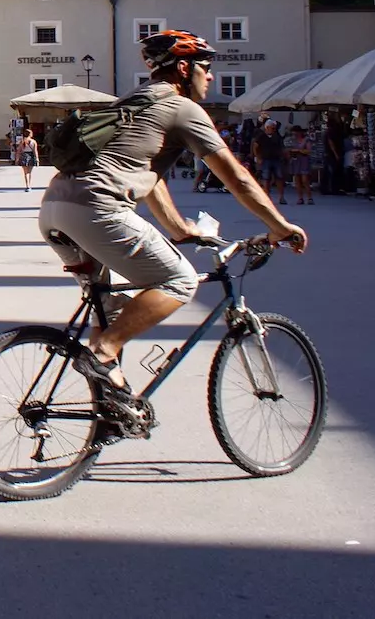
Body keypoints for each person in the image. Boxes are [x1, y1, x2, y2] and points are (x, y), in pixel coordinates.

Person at [39, 30, 307, 397]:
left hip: (55, 208)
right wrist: (279, 226)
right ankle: (102, 353)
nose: (210, 76)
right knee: (180, 280)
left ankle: (109, 406)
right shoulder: (183, 108)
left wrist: (179, 229)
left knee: (109, 310)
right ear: (184, 68)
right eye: (206, 68)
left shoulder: (132, 101)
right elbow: (236, 176)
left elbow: (150, 177)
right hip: (98, 208)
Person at [252, 119, 288, 205]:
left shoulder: (277, 136)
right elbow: (255, 146)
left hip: (276, 159)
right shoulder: (261, 136)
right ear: (267, 128)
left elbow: (282, 147)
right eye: (272, 128)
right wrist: (258, 157)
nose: (273, 130)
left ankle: (281, 196)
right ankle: (267, 196)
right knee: (266, 178)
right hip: (266, 159)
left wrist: (284, 156)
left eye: (274, 128)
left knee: (279, 178)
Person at [286, 125, 315, 206]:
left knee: (305, 180)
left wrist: (299, 150)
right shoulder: (292, 140)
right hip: (295, 160)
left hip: (304, 160)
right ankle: (300, 198)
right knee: (297, 180)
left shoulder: (306, 140)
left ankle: (309, 197)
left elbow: (308, 151)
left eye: (296, 132)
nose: (294, 134)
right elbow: (288, 148)